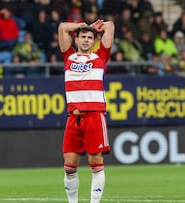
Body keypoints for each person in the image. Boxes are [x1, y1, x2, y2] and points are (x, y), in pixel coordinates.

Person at [58, 19, 115, 203]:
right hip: (74, 118)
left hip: (94, 116)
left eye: (90, 37)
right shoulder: (69, 56)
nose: (85, 40)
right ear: (76, 39)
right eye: (82, 36)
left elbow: (111, 26)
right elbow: (62, 27)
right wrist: (82, 25)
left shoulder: (100, 56)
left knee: (95, 164)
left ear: (94, 41)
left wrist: (93, 28)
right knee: (69, 167)